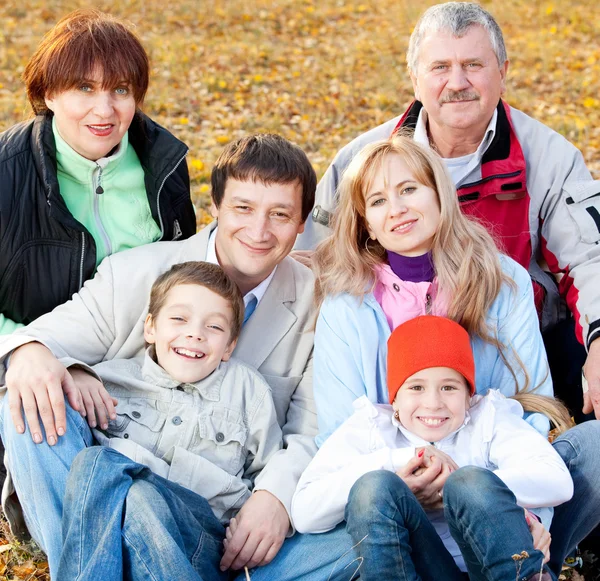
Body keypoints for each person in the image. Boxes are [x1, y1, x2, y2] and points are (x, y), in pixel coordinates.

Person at [0, 134, 359, 581]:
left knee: (358, 538)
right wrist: (64, 366)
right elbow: (43, 341)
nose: (259, 230)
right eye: (243, 208)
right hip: (117, 501)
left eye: (281, 215)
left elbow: (314, 425)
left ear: (302, 222)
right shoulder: (136, 272)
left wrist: (275, 498)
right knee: (28, 396)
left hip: (226, 514)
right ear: (217, 205)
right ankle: (81, 566)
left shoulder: (321, 305)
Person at [311, 134, 600, 577]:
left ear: (439, 194)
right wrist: (407, 480)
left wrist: (523, 517)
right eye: (379, 200)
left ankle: (524, 560)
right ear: (366, 222)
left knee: (593, 448)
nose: (398, 208)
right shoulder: (345, 304)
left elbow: (529, 407)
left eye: (409, 189)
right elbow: (338, 433)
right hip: (393, 495)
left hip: (494, 487)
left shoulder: (503, 280)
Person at [297, 1, 600, 423]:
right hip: (391, 358)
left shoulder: (551, 157)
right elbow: (314, 262)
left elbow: (591, 260)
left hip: (515, 342)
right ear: (415, 79)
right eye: (439, 67)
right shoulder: (360, 162)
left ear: (503, 71)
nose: (457, 82)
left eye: (474, 64)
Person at [0, 5, 195, 493]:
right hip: (30, 369)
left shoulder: (163, 169)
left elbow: (178, 288)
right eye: (84, 88)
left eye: (121, 90)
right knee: (40, 410)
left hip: (137, 379)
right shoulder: (6, 173)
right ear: (48, 92)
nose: (104, 110)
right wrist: (25, 349)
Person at [292, 315, 573, 581]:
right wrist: (400, 460)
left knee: (469, 481)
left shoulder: (487, 419)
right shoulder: (372, 428)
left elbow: (558, 481)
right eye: (416, 388)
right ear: (395, 399)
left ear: (468, 395)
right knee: (372, 487)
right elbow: (305, 512)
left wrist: (457, 485)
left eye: (449, 387)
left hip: (485, 564)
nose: (433, 403)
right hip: (422, 566)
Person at [55, 261, 283, 580]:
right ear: (151, 327)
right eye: (179, 319)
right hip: (124, 539)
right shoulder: (111, 381)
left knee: (129, 486)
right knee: (128, 489)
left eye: (214, 327)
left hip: (204, 541)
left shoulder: (249, 393)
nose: (195, 334)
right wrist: (72, 371)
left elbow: (269, 470)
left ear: (230, 345)